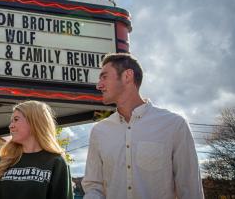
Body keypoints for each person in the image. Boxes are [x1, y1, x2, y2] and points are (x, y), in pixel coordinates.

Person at [82, 53, 204, 199]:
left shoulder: (174, 125)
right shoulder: (99, 131)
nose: (99, 85)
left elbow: (190, 189)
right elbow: (93, 187)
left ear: (127, 76)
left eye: (104, 77)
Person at [0, 100, 73, 199]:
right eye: (11, 121)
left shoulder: (56, 162)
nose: (10, 126)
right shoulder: (1, 162)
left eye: (16, 119)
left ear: (34, 121)